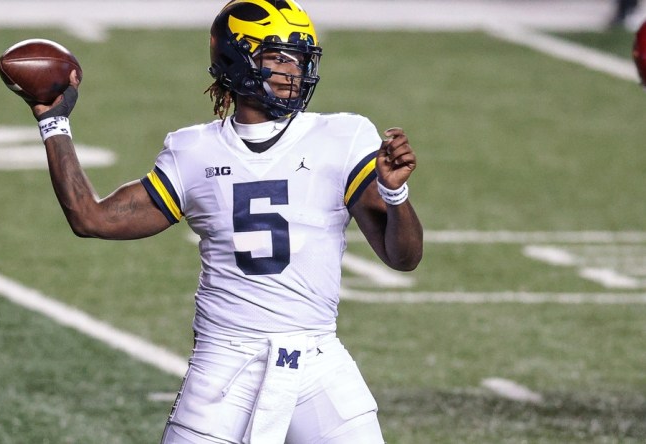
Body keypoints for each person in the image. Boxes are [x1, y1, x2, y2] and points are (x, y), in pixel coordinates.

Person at [25, 0, 423, 442]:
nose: (295, 71)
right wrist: (54, 123)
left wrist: (395, 193)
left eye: (300, 57)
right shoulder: (193, 151)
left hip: (318, 362)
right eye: (278, 56)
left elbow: (402, 257)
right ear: (237, 59)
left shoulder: (344, 137)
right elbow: (91, 218)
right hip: (224, 364)